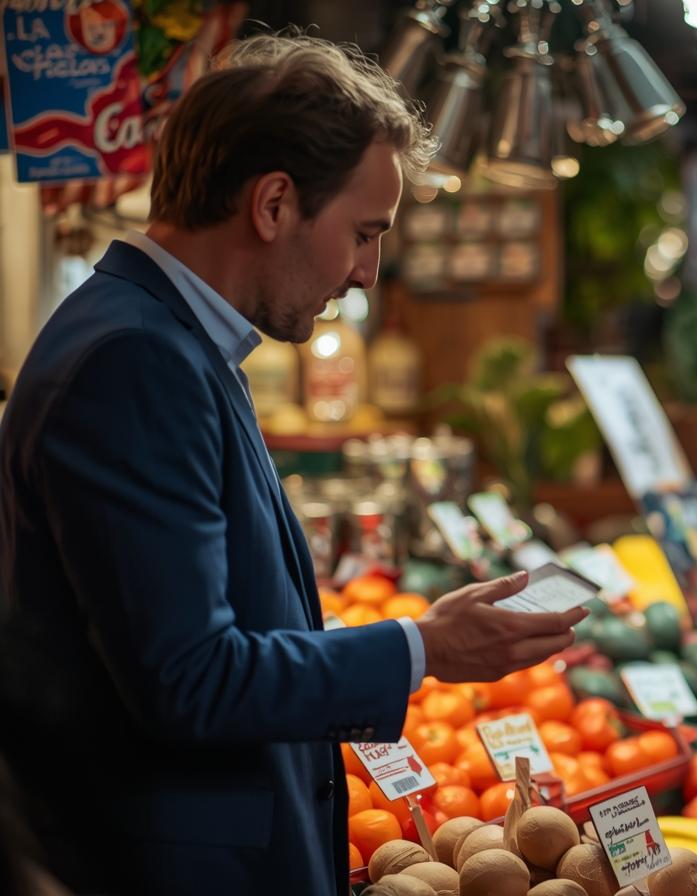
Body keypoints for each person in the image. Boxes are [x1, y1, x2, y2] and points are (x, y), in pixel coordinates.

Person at [0, 35, 586, 894]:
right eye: (363, 232)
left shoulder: (172, 337)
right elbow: (190, 678)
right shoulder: (134, 358)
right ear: (273, 204)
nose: (366, 270)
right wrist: (422, 648)